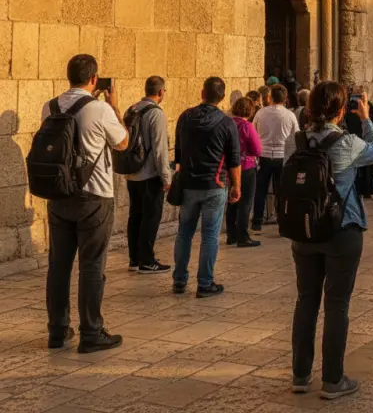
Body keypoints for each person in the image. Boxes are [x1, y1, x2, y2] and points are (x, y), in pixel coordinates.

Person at [287, 82, 373, 400]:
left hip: (304, 228)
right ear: (341, 110)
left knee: (306, 301)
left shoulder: (297, 138)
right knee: (337, 305)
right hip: (342, 228)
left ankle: (300, 375)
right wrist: (367, 118)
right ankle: (332, 380)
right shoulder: (347, 142)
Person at [44, 54, 129, 353]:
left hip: (58, 195)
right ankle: (91, 332)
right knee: (92, 264)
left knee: (59, 265)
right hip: (94, 195)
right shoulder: (101, 108)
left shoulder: (50, 106)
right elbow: (122, 142)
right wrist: (114, 105)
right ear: (94, 79)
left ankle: (57, 330)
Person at [172, 77, 242, 298]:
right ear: (222, 97)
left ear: (202, 92)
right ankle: (205, 282)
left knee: (184, 233)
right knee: (210, 235)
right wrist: (236, 186)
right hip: (215, 183)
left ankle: (179, 279)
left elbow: (179, 153)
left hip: (189, 183)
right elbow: (234, 159)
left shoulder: (185, 118)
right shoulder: (226, 123)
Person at [125, 76, 171, 274]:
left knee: (135, 216)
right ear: (160, 92)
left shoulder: (132, 109)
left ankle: (135, 258)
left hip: (132, 173)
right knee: (151, 217)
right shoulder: (156, 114)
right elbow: (160, 149)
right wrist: (166, 177)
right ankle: (147, 260)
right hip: (150, 174)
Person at [252, 84, 299, 231]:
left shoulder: (260, 113)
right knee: (281, 191)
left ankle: (256, 223)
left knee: (260, 190)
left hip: (263, 156)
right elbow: (296, 135)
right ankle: (282, 223)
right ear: (285, 99)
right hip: (282, 156)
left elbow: (253, 131)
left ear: (269, 97)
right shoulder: (290, 115)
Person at [226, 96, 262, 248]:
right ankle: (242, 235)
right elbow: (257, 149)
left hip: (229, 167)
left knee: (232, 201)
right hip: (246, 166)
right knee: (245, 202)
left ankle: (231, 234)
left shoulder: (227, 124)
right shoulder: (247, 126)